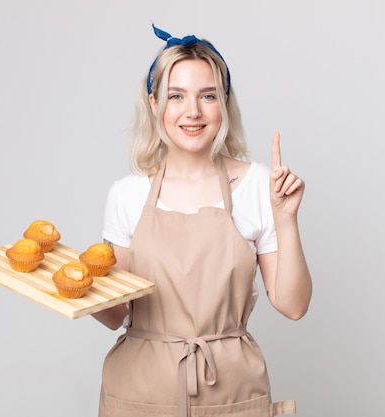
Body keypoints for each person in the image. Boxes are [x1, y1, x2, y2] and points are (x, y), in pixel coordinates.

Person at [92, 23, 313, 417]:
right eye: (176, 96)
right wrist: (83, 283)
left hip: (231, 390)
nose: (192, 111)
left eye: (207, 96)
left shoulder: (258, 185)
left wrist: (286, 219)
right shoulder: (127, 195)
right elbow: (113, 316)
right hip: (140, 393)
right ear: (154, 104)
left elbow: (293, 305)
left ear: (223, 104)